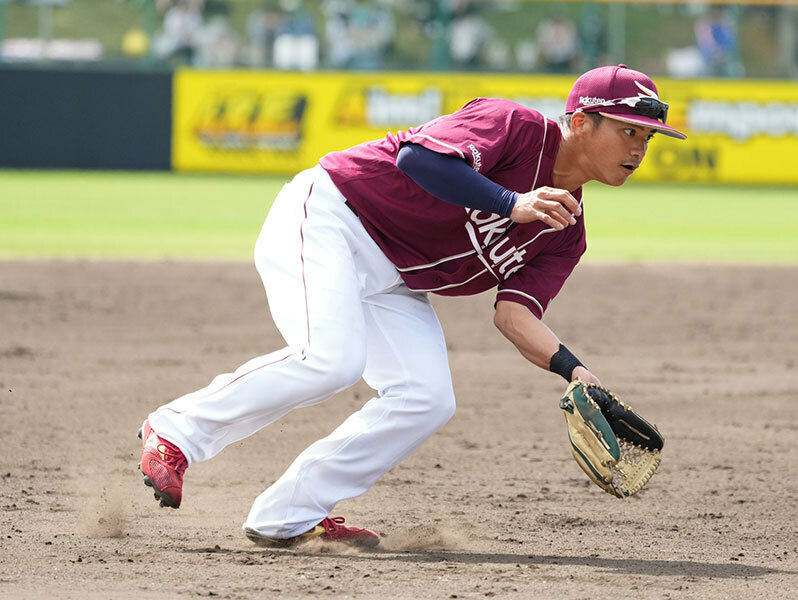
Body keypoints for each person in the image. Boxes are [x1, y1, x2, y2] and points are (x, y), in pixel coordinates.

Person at [138, 64, 686, 548]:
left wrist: (577, 374)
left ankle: (290, 514)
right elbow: (417, 158)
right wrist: (511, 201)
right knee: (330, 360)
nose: (639, 148)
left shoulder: (566, 232)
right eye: (628, 131)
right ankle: (175, 433)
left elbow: (515, 315)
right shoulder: (517, 127)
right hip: (334, 215)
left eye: (648, 137)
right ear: (582, 122)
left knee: (426, 398)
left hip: (394, 280)